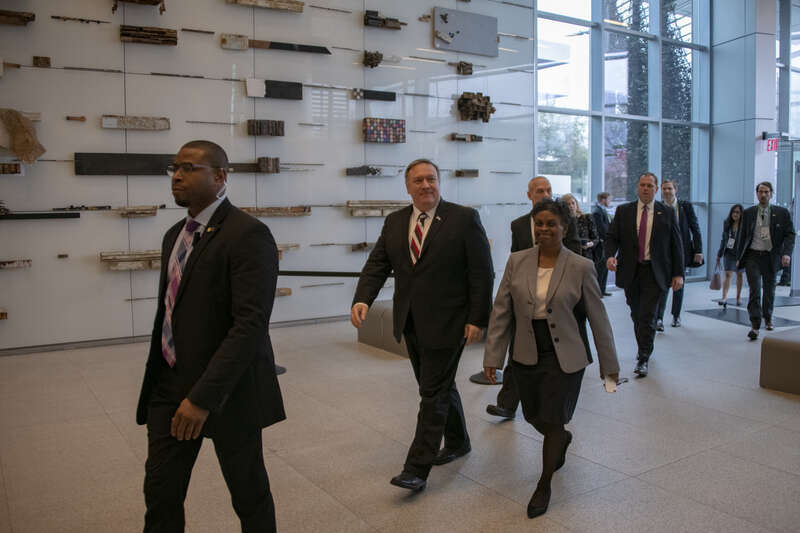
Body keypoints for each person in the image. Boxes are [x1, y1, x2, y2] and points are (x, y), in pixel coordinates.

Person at [137, 140, 286, 532]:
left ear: (220, 177)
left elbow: (249, 326)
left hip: (228, 393)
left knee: (249, 495)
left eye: (189, 168)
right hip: (169, 387)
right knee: (161, 495)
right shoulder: (175, 235)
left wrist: (202, 398)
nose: (178, 176)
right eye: (175, 168)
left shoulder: (248, 234)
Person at [350, 158, 494, 492]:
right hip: (411, 321)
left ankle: (417, 468)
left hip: (450, 322)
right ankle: (458, 442)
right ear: (407, 186)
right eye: (418, 181)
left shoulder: (463, 218)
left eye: (431, 179)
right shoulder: (396, 221)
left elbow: (481, 273)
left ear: (439, 182)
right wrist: (362, 299)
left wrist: (477, 318)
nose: (425, 185)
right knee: (438, 386)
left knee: (432, 393)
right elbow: (377, 264)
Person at [483, 199, 619, 519]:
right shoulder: (517, 261)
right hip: (527, 351)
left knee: (554, 418)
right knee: (534, 416)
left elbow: (599, 320)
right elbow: (502, 311)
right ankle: (561, 439)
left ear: (564, 228)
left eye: (551, 224)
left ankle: (544, 484)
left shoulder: (581, 267)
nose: (544, 229)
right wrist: (494, 356)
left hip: (566, 355)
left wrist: (609, 368)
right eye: (539, 223)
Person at [480, 176, 582, 421]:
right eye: (539, 190)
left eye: (548, 189)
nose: (545, 193)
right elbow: (516, 259)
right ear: (529, 195)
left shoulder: (565, 219)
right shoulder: (518, 225)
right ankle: (507, 404)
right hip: (525, 300)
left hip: (557, 303)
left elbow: (576, 253)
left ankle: (547, 411)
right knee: (519, 350)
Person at [605, 172, 684, 378]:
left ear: (656, 189)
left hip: (655, 271)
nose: (646, 188)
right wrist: (610, 256)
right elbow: (612, 237)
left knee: (648, 315)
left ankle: (643, 357)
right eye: (642, 185)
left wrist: (678, 273)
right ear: (637, 187)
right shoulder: (624, 211)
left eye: (650, 185)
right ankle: (645, 347)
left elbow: (677, 245)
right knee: (636, 314)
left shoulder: (666, 213)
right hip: (631, 270)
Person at [736, 181, 796, 340]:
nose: (763, 195)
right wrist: (738, 257)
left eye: (766, 192)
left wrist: (786, 253)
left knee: (769, 290)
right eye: (760, 192)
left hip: (771, 256)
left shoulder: (782, 213)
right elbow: (742, 236)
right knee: (755, 290)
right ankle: (755, 325)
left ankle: (768, 317)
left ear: (771, 194)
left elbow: (790, 234)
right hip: (753, 256)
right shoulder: (749, 213)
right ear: (757, 193)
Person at [655, 179, 703, 329]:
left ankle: (676, 316)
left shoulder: (685, 206)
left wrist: (699, 251)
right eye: (664, 189)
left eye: (670, 188)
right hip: (663, 253)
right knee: (662, 286)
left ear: (675, 190)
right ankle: (659, 318)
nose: (667, 191)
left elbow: (695, 229)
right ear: (660, 191)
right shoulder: (657, 207)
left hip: (681, 251)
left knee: (679, 284)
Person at [716, 204, 744, 308]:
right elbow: (724, 239)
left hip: (740, 254)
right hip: (728, 252)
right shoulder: (727, 223)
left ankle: (738, 297)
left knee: (739, 274)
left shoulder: (744, 225)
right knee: (728, 274)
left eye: (737, 212)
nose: (735, 214)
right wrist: (719, 254)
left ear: (741, 214)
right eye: (733, 212)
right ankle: (724, 298)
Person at [562, 193, 599, 260]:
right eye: (568, 204)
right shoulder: (562, 222)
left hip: (586, 255)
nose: (571, 206)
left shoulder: (586, 218)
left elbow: (595, 239)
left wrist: (589, 244)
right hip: (569, 256)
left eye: (573, 203)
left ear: (576, 204)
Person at [591, 192, 613, 296]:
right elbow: (601, 228)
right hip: (602, 244)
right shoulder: (597, 212)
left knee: (605, 267)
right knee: (600, 268)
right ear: (603, 199)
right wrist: (606, 238)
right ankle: (598, 291)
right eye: (609, 199)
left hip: (606, 243)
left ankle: (602, 290)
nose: (610, 202)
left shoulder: (601, 210)